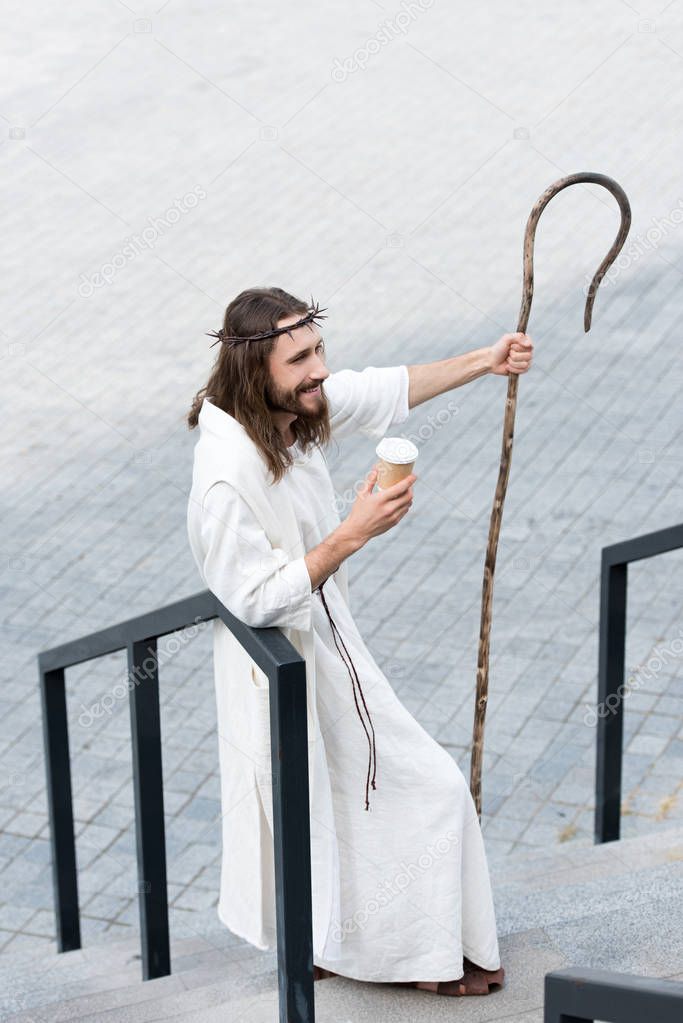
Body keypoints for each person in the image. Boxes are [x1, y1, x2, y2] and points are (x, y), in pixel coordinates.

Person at [185, 286, 532, 997]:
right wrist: (354, 530)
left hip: (329, 640)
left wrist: (485, 360)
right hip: (284, 664)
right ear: (257, 370)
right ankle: (423, 957)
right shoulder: (224, 478)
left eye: (318, 350)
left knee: (351, 797)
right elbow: (250, 597)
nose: (318, 369)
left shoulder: (292, 406)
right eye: (301, 358)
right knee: (422, 786)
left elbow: (381, 390)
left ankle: (379, 945)